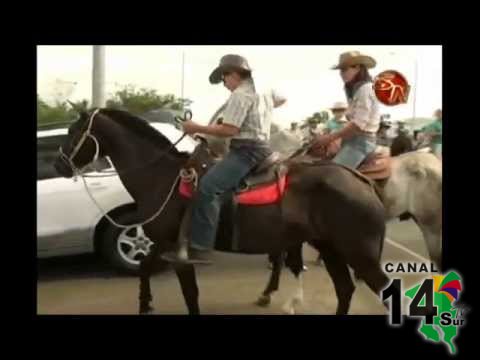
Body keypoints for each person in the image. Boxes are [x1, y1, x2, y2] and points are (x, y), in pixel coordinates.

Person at [161, 54, 274, 265]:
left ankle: (201, 247)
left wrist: (196, 128)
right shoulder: (263, 92)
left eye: (224, 78)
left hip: (246, 151)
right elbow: (282, 98)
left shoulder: (240, 95)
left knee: (207, 187)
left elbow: (230, 129)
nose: (224, 84)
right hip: (261, 148)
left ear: (233, 74)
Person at [311, 51, 381, 169]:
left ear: (357, 67)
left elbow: (358, 125)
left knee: (332, 174)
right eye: (340, 70)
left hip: (361, 143)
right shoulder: (356, 90)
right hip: (351, 141)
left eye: (344, 69)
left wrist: (330, 138)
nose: (341, 74)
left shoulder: (365, 89)